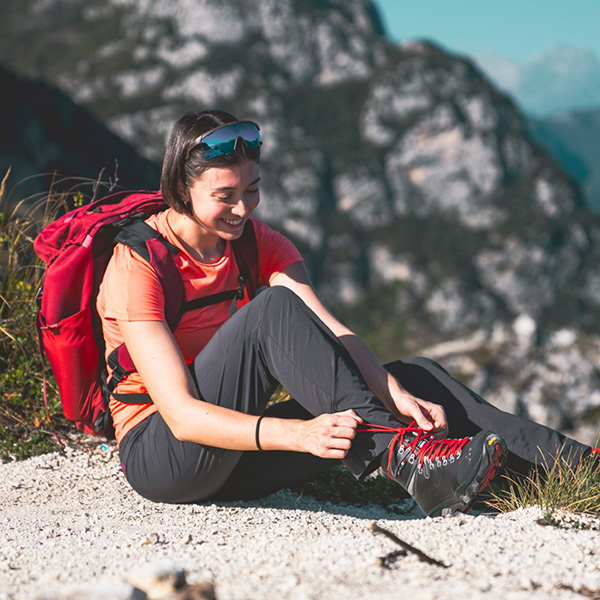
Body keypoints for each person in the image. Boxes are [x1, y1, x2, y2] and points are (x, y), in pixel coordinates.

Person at [96, 110, 593, 518]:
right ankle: (407, 459)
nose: (243, 209)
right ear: (182, 189)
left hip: (241, 453)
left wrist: (389, 387)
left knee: (413, 375)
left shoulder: (254, 243)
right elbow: (182, 417)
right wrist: (300, 434)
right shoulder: (140, 263)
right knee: (272, 309)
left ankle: (578, 468)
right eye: (224, 196)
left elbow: (331, 329)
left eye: (252, 190)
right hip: (167, 458)